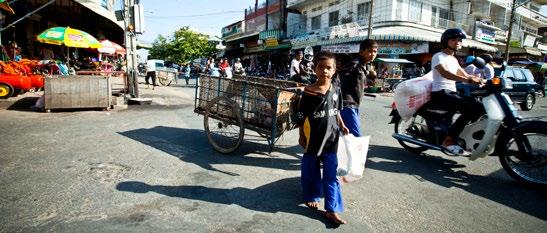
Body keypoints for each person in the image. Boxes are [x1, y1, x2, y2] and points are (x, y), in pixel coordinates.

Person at [296, 51, 349, 225]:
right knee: (311, 168)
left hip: (332, 139)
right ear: (315, 69)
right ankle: (311, 195)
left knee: (331, 174)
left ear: (334, 70)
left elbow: (337, 111)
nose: (325, 71)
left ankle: (331, 209)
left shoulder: (336, 89)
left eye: (329, 68)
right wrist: (301, 135)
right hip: (313, 138)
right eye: (321, 67)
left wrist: (342, 125)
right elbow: (302, 116)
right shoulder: (309, 91)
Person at [429, 28, 483, 156]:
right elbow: (446, 74)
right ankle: (448, 140)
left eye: (459, 40)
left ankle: (460, 135)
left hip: (451, 92)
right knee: (470, 109)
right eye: (453, 39)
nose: (457, 42)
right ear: (445, 41)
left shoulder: (454, 59)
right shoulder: (438, 56)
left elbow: (463, 74)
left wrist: (480, 80)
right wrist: (469, 79)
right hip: (440, 93)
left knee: (479, 107)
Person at [337, 39, 378, 137]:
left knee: (345, 134)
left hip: (354, 104)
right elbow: (339, 80)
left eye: (375, 52)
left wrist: (371, 77)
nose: (372, 54)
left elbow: (357, 83)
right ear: (361, 51)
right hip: (347, 104)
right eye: (369, 51)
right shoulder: (355, 65)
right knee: (356, 136)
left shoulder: (363, 66)